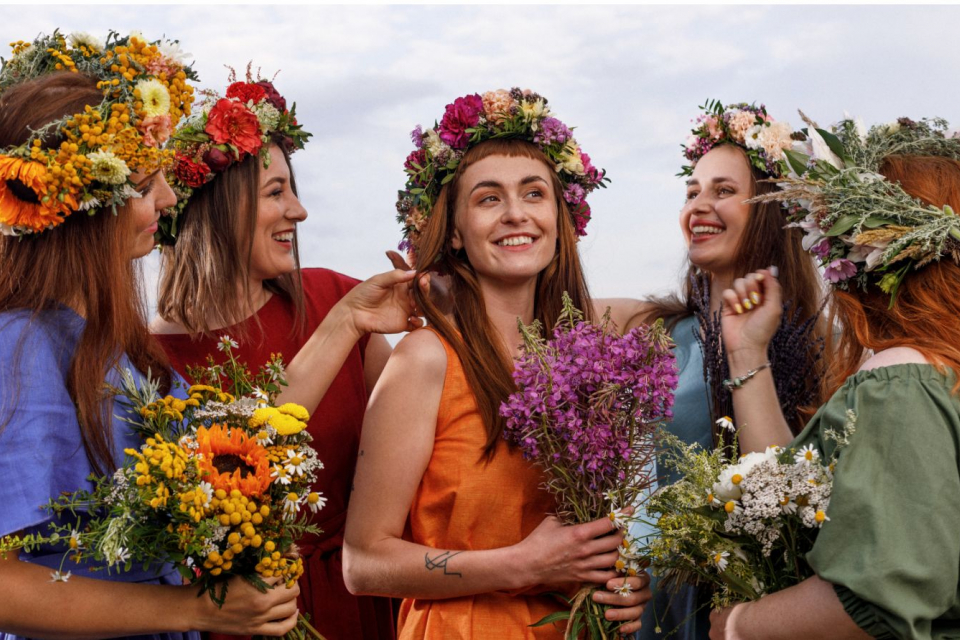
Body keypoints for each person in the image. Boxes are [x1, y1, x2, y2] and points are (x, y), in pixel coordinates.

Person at [0, 32, 299, 638]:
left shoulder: (104, 341)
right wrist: (193, 608)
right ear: (83, 209)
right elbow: (5, 584)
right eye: (142, 186)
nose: (167, 198)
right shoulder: (22, 349)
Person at [343, 88, 650, 638]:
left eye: (534, 193)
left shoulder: (587, 360)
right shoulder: (426, 359)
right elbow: (363, 564)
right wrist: (522, 566)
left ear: (560, 218)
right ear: (455, 233)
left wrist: (617, 581)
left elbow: (580, 531)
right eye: (489, 199)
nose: (516, 213)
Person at [151, 72, 420, 640]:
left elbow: (419, 456)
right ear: (216, 209)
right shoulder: (145, 361)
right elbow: (228, 479)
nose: (298, 212)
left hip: (367, 601)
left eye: (292, 190)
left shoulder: (334, 296)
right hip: (249, 619)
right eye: (276, 192)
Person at [709, 117, 960, 639]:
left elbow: (878, 599)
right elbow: (794, 494)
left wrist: (739, 625)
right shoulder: (937, 372)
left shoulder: (903, 381)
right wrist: (747, 350)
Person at [597, 102, 829, 640]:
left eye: (723, 191)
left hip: (764, 599)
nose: (698, 205)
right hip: (662, 594)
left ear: (772, 209)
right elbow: (533, 309)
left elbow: (791, 505)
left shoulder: (826, 344)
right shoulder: (655, 325)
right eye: (691, 192)